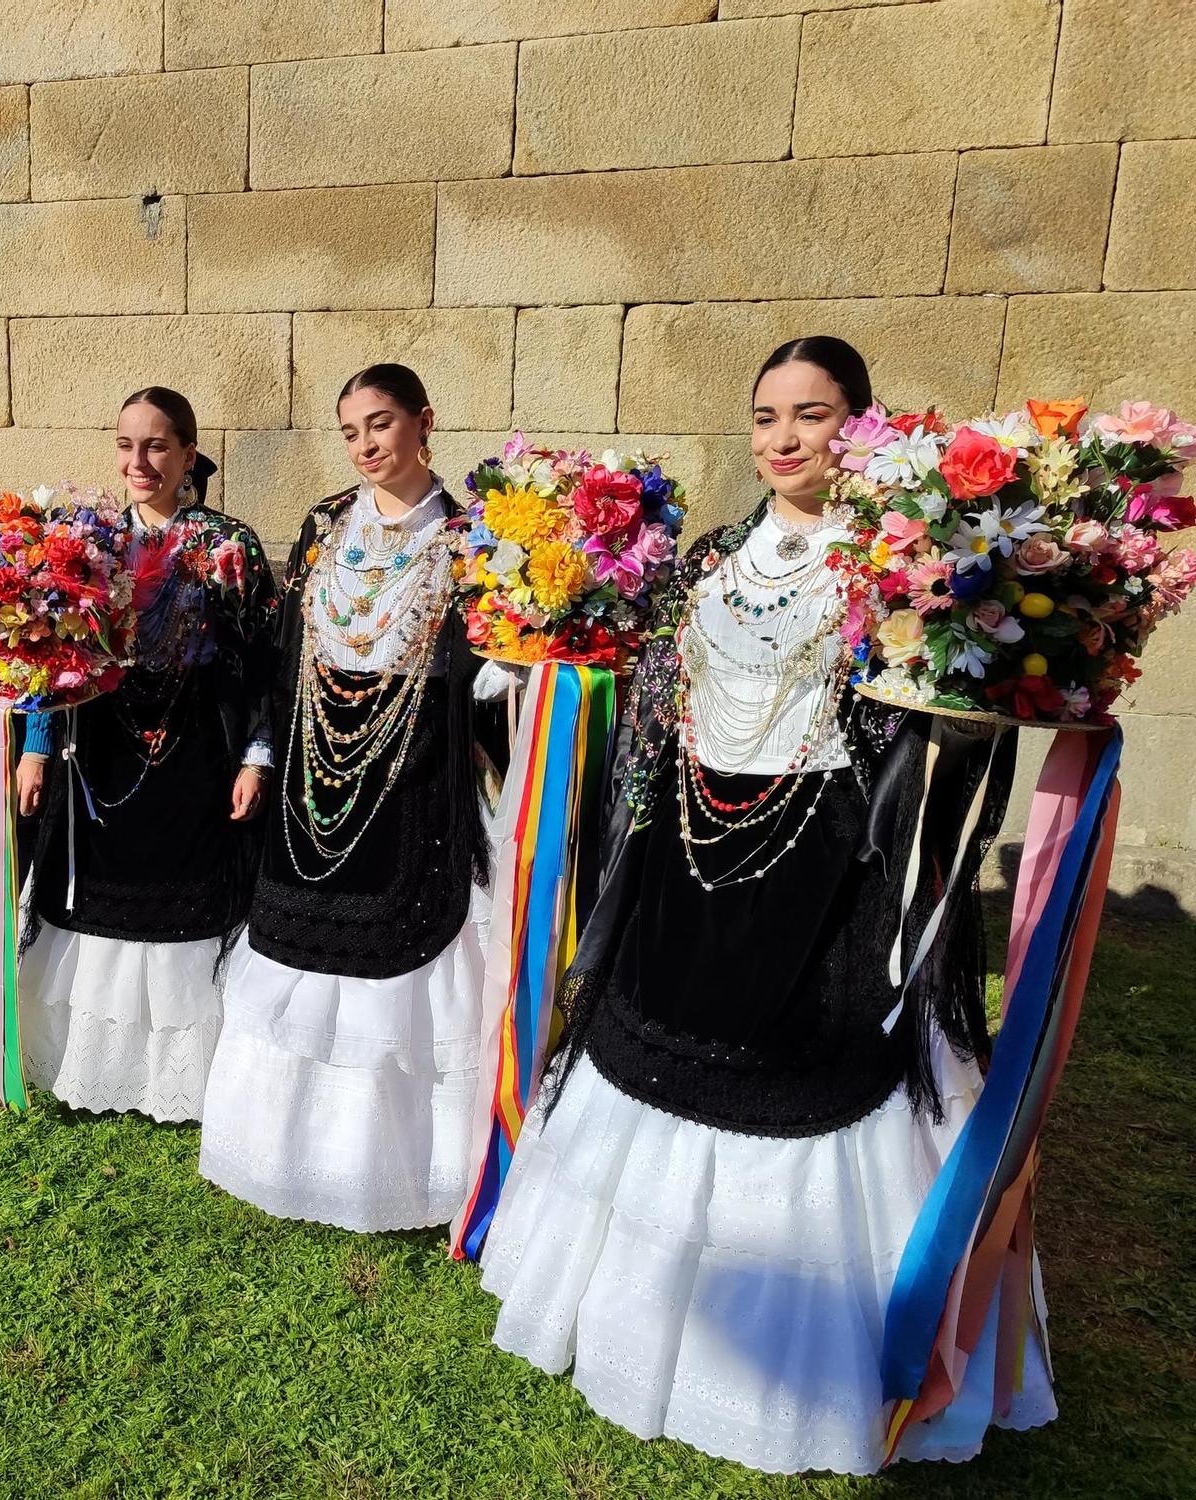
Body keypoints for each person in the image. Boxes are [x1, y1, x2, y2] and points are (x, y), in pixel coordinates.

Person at [476, 337, 1053, 1473]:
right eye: (764, 417)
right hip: (689, 846)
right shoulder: (708, 558)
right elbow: (655, 691)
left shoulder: (902, 567)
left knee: (804, 1067)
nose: (782, 439)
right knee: (652, 1051)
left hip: (827, 860)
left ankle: (812, 1362)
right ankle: (632, 1323)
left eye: (811, 413)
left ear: (860, 425)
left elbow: (934, 720)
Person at [197, 364, 492, 1231]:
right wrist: (262, 753)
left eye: (383, 424)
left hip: (419, 778)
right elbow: (288, 656)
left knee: (406, 955)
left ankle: (394, 1169)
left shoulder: (474, 539)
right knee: (297, 951)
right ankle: (284, 1151)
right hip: (315, 773)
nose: (367, 446)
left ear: (424, 422)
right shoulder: (326, 524)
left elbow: (478, 666)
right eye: (352, 431)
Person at [8, 388, 277, 1121]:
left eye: (157, 446)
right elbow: (48, 659)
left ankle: (182, 1074)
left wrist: (257, 757)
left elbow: (263, 667)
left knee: (185, 909)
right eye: (127, 445)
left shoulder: (231, 547)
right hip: (98, 760)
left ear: (189, 454)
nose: (140, 461)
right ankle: (98, 1068)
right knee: (98, 905)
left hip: (198, 760)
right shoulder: (83, 543)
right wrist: (35, 745)